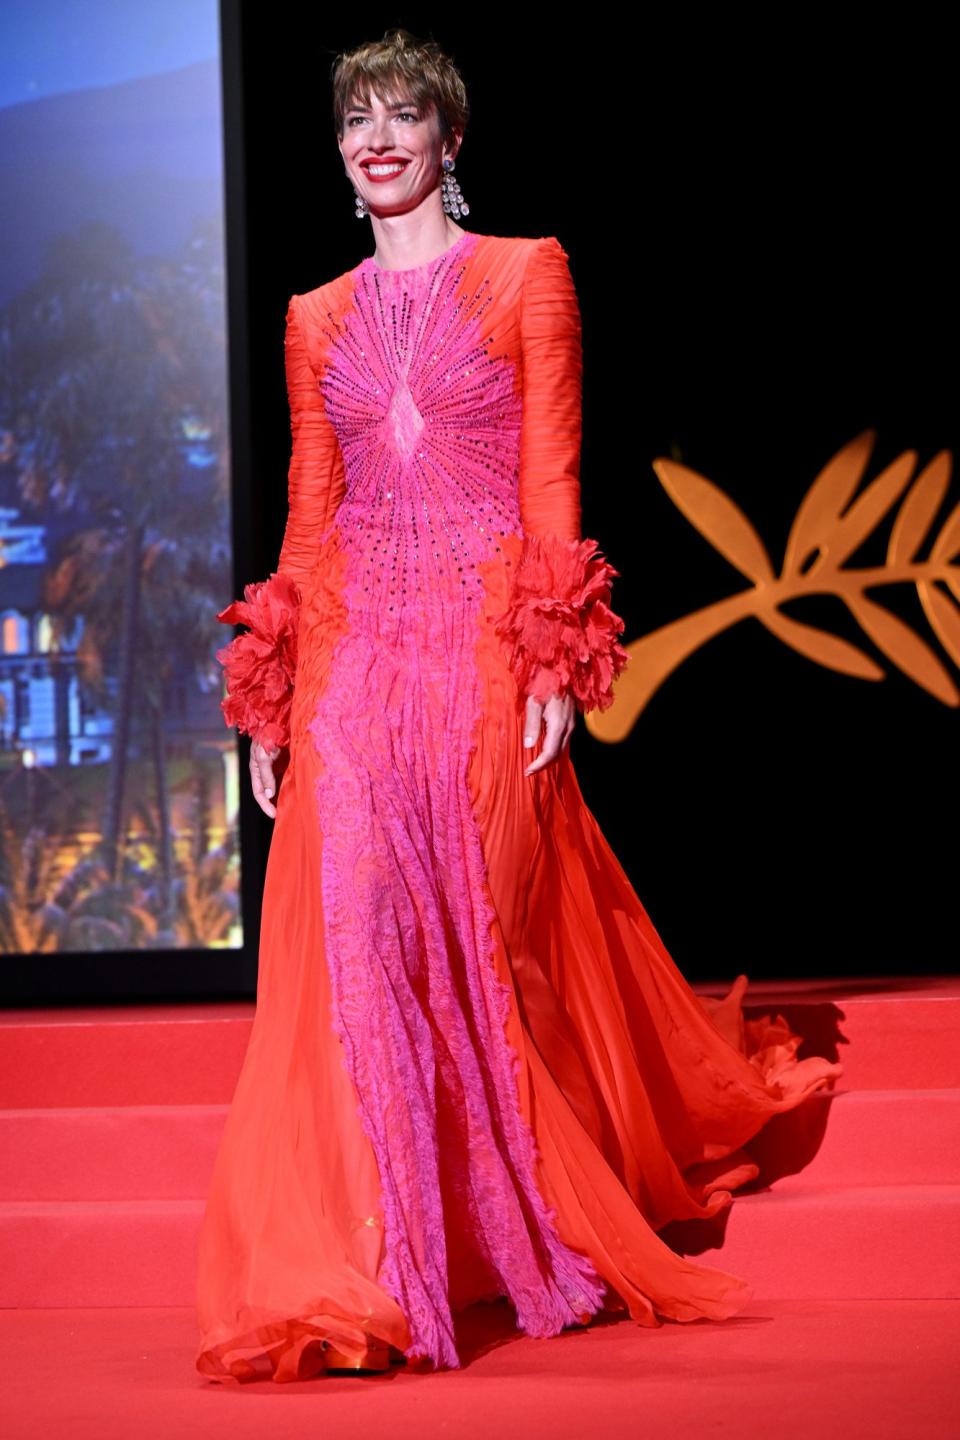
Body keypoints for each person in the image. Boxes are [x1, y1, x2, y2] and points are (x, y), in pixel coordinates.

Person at [197, 28, 843, 1383]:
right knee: (361, 932)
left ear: (449, 139)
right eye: (353, 119)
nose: (376, 137)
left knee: (488, 923)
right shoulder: (315, 315)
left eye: (402, 115)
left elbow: (555, 482)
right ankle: (382, 1266)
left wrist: (553, 659)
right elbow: (313, 518)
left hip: (486, 636)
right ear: (337, 150)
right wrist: (272, 697)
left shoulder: (528, 276)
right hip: (360, 650)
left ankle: (518, 1219)